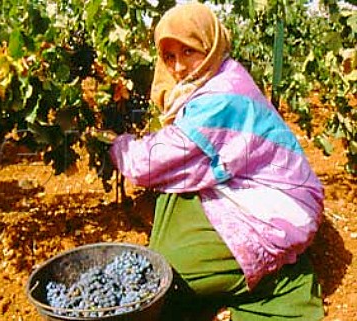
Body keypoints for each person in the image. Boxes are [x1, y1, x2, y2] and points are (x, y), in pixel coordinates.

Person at [106, 2, 325, 321]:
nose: (178, 67)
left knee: (168, 279)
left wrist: (118, 146)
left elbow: (149, 164)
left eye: (188, 51)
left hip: (282, 211)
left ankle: (272, 277)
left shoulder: (221, 98)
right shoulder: (219, 75)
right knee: (171, 206)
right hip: (255, 191)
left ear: (209, 46)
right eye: (169, 56)